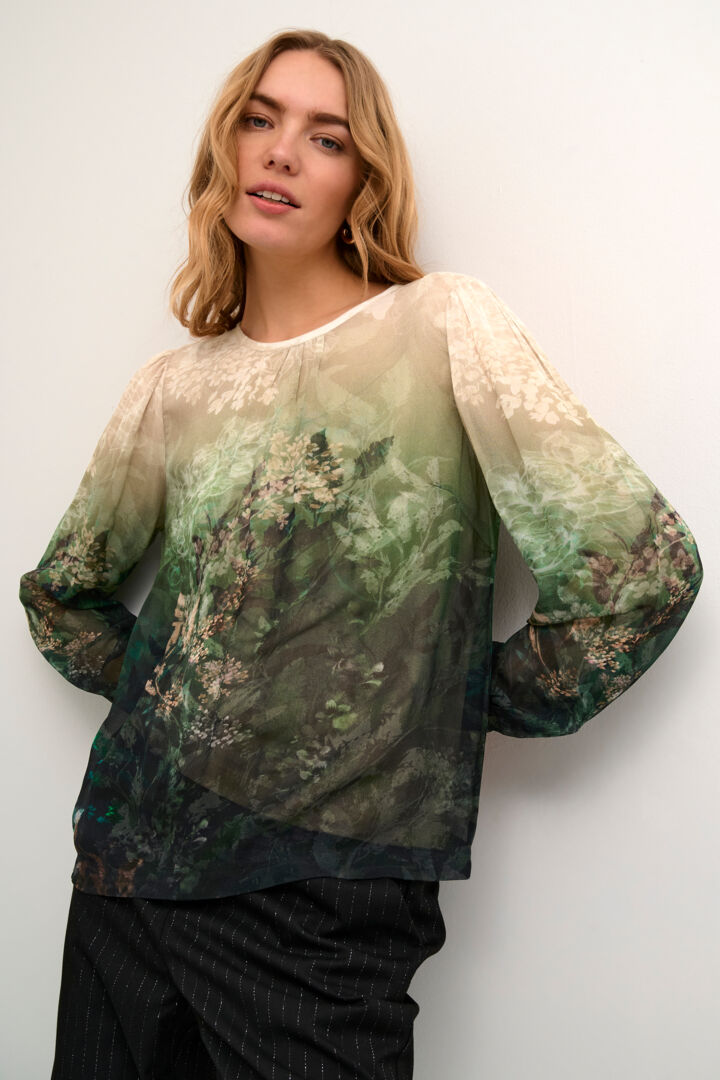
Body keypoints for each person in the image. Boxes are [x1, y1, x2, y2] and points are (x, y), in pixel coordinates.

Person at [19, 26, 703, 1080]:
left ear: (362, 181)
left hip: (322, 896)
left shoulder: (440, 326)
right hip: (127, 870)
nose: (281, 151)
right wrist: (203, 705)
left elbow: (640, 569)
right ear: (225, 148)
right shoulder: (173, 389)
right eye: (259, 119)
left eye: (326, 137)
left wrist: (442, 697)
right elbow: (62, 596)